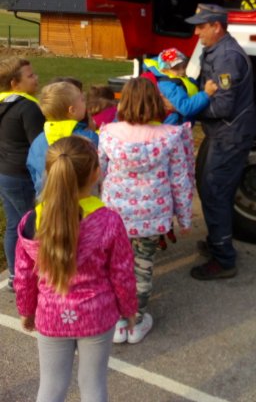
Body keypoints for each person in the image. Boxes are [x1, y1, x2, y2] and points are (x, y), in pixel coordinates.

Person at [14, 135, 137, 402]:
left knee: (51, 387)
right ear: (95, 174)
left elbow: (23, 276)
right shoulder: (109, 221)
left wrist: (26, 310)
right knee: (93, 385)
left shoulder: (32, 221)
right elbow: (123, 273)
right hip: (97, 315)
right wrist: (129, 309)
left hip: (51, 316)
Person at [98, 77, 194, 344]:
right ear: (156, 102)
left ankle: (117, 323)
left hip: (115, 217)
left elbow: (98, 172)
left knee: (115, 267)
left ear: (124, 102)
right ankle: (135, 322)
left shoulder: (108, 133)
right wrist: (185, 218)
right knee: (143, 268)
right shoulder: (171, 136)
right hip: (152, 219)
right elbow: (180, 180)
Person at [185, 3, 256, 280]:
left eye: (201, 27)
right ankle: (217, 243)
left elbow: (223, 106)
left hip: (229, 136)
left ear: (217, 26)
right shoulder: (216, 50)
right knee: (209, 189)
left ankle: (224, 260)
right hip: (223, 134)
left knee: (215, 193)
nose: (196, 32)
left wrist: (189, 109)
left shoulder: (226, 57)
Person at [0, 58, 45, 291]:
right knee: (33, 226)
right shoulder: (28, 108)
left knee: (14, 224)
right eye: (30, 76)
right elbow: (39, 146)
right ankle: (35, 278)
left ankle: (15, 275)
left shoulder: (3, 103)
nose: (36, 78)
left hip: (4, 173)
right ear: (14, 83)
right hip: (21, 176)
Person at [27, 81, 99, 195]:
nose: (85, 103)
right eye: (82, 99)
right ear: (72, 110)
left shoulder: (38, 140)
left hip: (48, 198)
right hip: (83, 198)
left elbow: (32, 170)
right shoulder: (88, 139)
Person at [141, 47, 218, 124]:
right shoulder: (168, 85)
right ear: (164, 70)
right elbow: (185, 108)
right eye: (176, 68)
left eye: (183, 66)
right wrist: (206, 94)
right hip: (172, 128)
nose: (181, 71)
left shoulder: (177, 79)